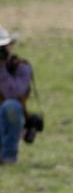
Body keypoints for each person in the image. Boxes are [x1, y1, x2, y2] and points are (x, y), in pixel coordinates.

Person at [0, 26, 35, 164]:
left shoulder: (21, 67)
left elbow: (14, 93)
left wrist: (1, 69)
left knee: (11, 106)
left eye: (3, 47)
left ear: (10, 46)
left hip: (11, 115)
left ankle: (9, 155)